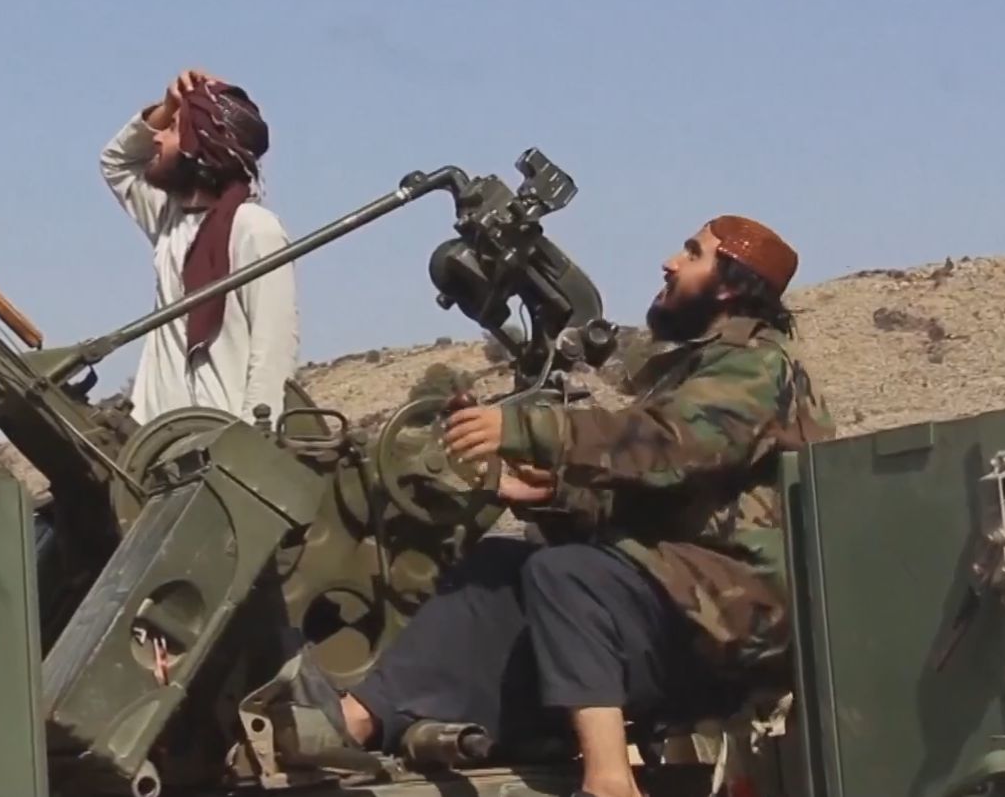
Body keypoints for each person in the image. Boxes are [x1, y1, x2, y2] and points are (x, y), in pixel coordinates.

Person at [266, 215, 835, 797]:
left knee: (569, 575)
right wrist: (553, 493)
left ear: (730, 285)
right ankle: (356, 719)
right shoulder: (703, 366)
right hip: (687, 595)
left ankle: (610, 782)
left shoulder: (758, 365)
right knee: (496, 570)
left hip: (741, 613)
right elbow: (666, 498)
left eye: (693, 253)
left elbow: (670, 445)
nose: (670, 261)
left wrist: (528, 429)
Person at [98, 68, 300, 425]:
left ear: (199, 150)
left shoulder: (254, 229)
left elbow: (273, 350)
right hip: (155, 437)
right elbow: (116, 162)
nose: (157, 138)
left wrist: (250, 441)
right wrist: (167, 107)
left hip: (220, 437)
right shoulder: (170, 218)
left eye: (174, 129)